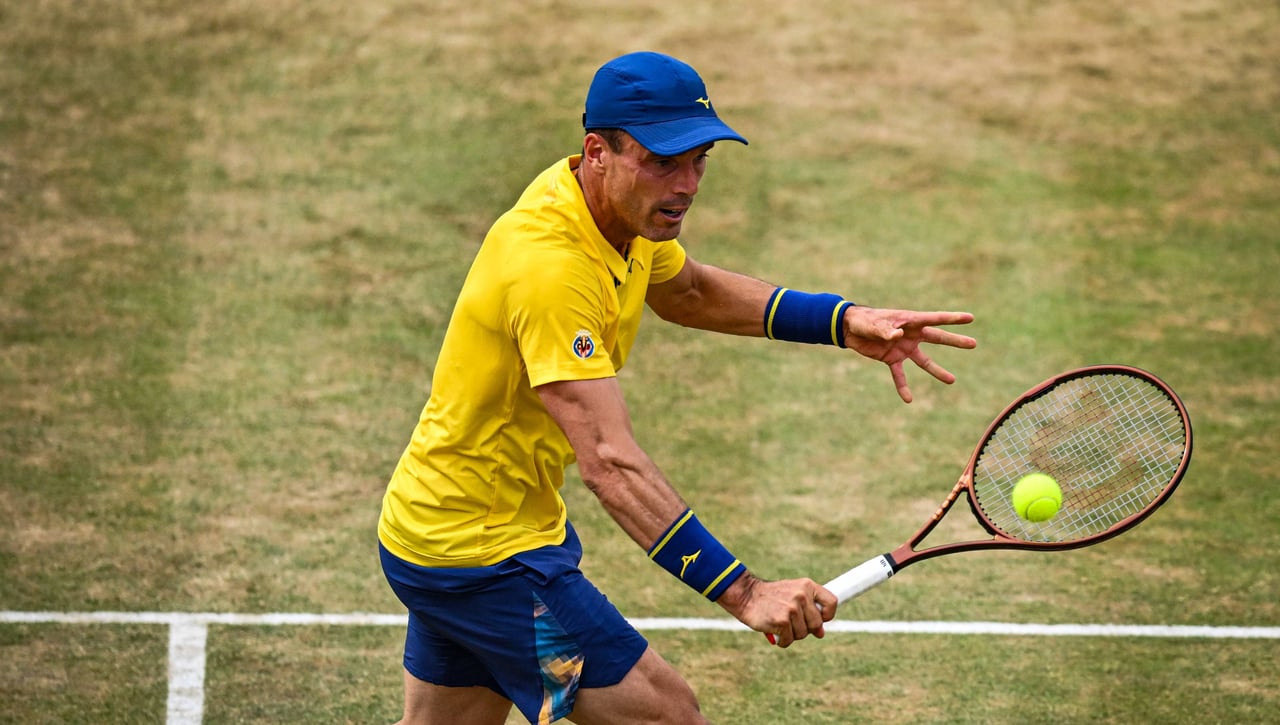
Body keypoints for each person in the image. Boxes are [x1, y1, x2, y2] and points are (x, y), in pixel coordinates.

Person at [377, 51, 977, 725]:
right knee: (668, 715)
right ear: (596, 151)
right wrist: (744, 591)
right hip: (479, 554)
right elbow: (610, 461)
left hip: (436, 528)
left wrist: (840, 321)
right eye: (663, 161)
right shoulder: (551, 268)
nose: (687, 183)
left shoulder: (607, 211)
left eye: (699, 160)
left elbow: (686, 291)